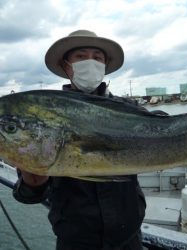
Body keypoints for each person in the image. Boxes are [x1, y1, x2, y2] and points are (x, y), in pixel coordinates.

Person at [13, 30, 146, 250]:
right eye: (81, 57)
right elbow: (26, 196)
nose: (90, 62)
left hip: (129, 238)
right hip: (74, 241)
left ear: (104, 65)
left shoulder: (130, 111)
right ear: (66, 66)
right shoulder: (45, 115)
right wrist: (33, 182)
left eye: (97, 57)